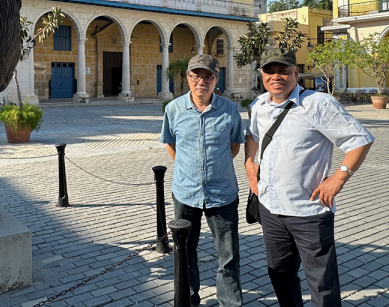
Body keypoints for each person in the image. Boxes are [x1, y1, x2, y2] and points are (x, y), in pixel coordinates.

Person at [245, 49, 374, 307]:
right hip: (270, 208)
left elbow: (360, 140)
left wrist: (338, 178)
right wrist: (250, 163)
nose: (276, 76)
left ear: (295, 73)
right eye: (270, 71)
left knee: (322, 284)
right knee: (280, 273)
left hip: (309, 213)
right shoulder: (258, 105)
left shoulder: (319, 104)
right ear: (262, 75)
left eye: (283, 70)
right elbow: (253, 136)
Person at [160, 54, 244, 307]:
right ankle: (188, 298)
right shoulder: (173, 109)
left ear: (216, 79)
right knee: (185, 253)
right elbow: (171, 145)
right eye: (196, 75)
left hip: (222, 194)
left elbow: (234, 147)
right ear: (188, 78)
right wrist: (190, 169)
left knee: (228, 256)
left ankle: (229, 302)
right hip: (186, 194)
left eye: (208, 76)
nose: (202, 81)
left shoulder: (229, 109)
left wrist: (212, 168)